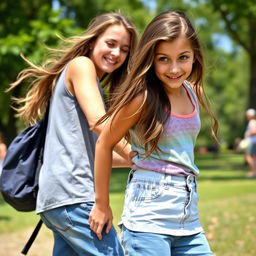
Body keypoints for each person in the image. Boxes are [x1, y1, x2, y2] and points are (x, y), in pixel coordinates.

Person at [89, 11, 219, 256]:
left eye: (183, 57)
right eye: (163, 59)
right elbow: (104, 143)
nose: (174, 68)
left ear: (195, 57)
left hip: (187, 219)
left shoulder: (193, 92)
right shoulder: (143, 99)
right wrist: (101, 204)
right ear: (151, 58)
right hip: (147, 219)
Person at [7, 12, 138, 256]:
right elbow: (100, 123)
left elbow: (92, 151)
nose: (117, 53)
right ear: (92, 42)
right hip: (75, 196)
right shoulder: (81, 65)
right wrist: (133, 153)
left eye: (124, 49)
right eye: (110, 44)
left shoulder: (88, 81)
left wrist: (139, 158)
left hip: (60, 199)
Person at [244, 108, 256, 177]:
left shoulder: (252, 122)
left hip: (252, 142)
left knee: (248, 156)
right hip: (254, 142)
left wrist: (248, 133)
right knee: (254, 157)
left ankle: (253, 172)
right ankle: (254, 172)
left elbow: (254, 131)